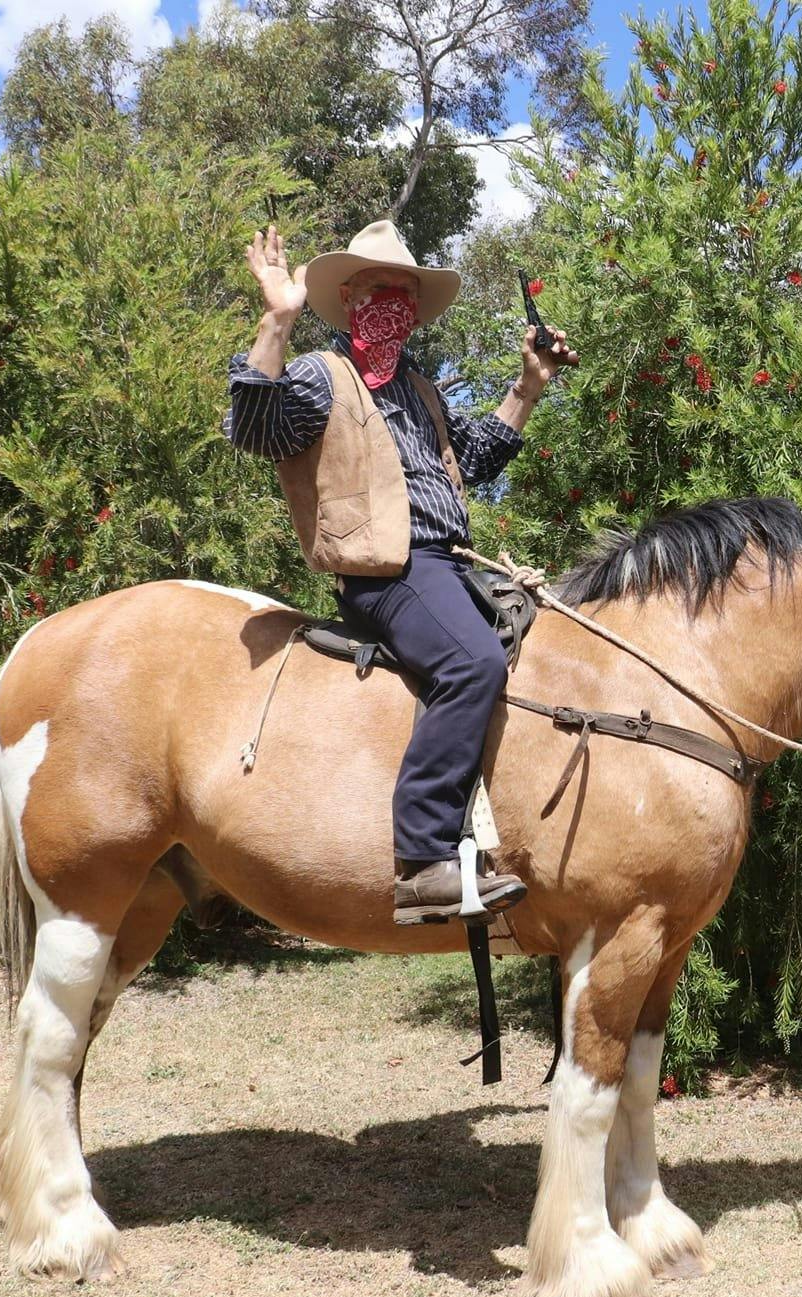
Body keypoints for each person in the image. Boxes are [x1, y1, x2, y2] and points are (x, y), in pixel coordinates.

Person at [223, 219, 576, 924]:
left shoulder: (420, 390)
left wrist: (528, 387)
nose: (399, 306)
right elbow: (254, 430)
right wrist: (276, 322)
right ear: (351, 297)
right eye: (385, 290)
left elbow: (472, 458)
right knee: (474, 664)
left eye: (409, 295)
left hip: (448, 569)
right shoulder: (323, 379)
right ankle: (422, 861)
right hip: (387, 571)